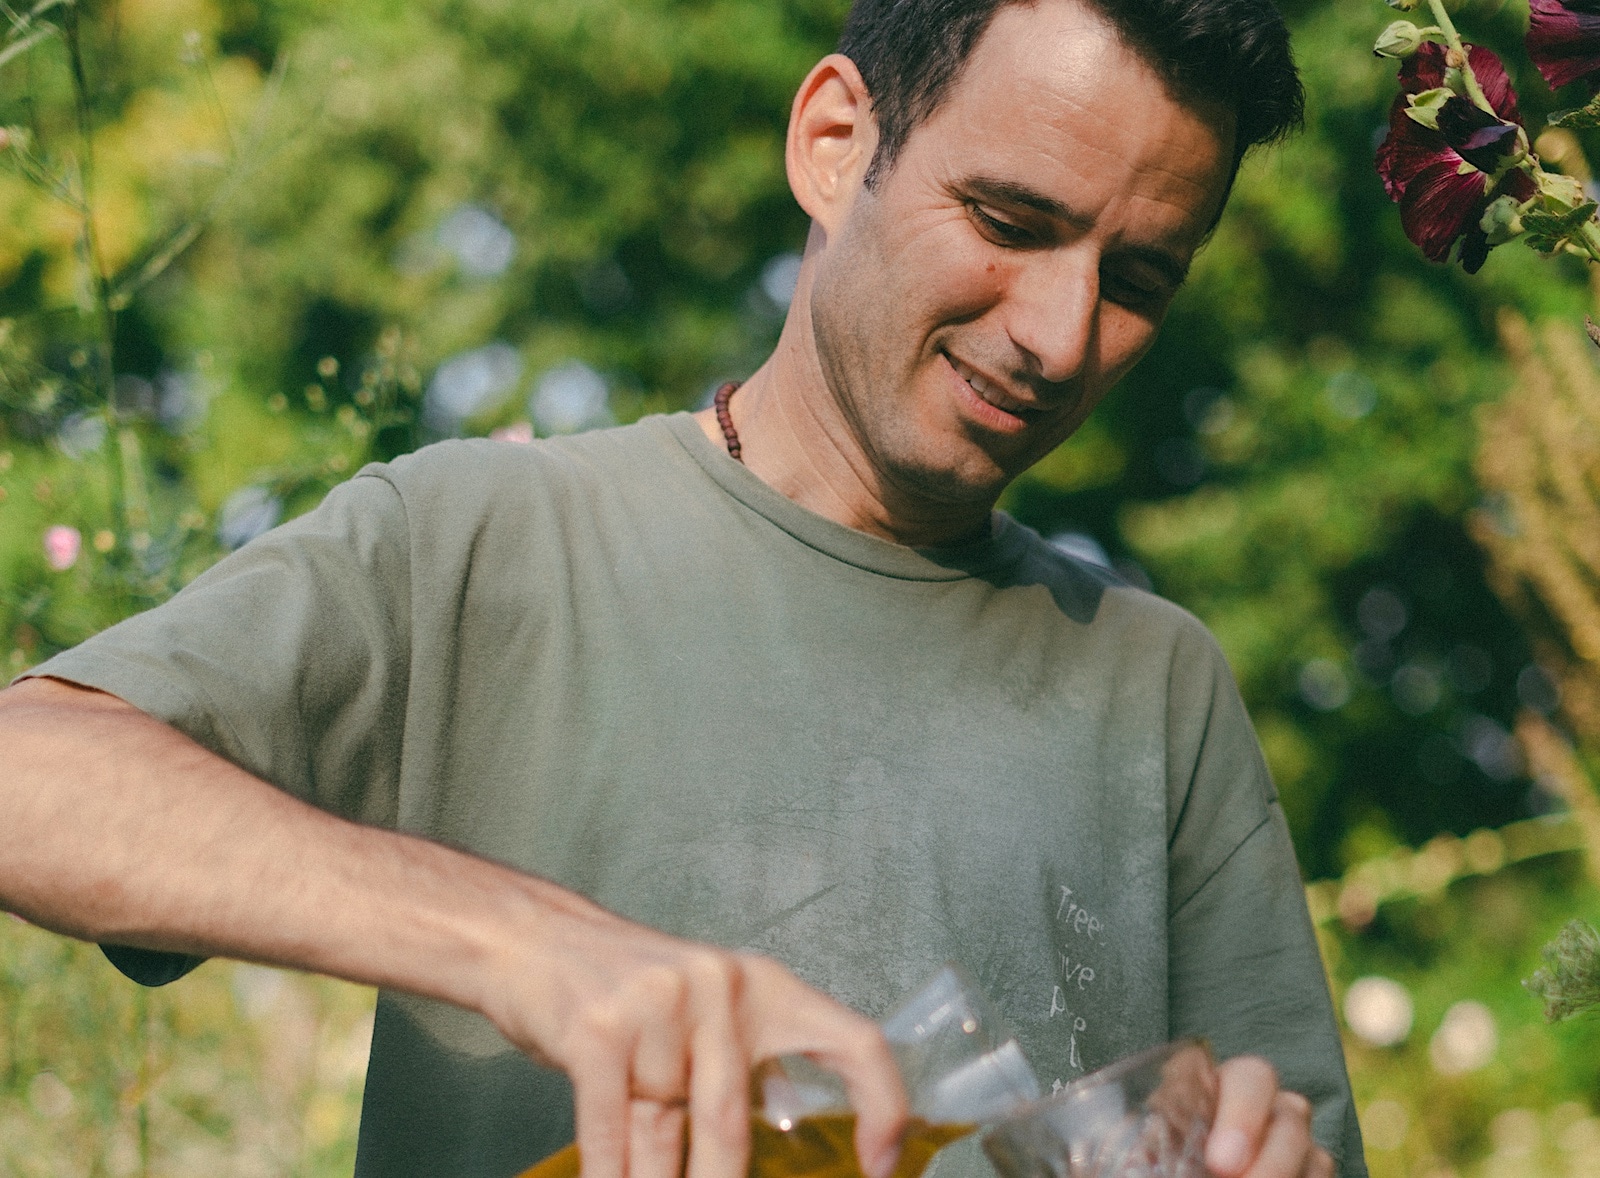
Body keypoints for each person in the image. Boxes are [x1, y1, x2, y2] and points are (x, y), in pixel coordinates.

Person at [0, 0, 1364, 1175]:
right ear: (836, 144)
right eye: (1009, 220)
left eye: (1136, 281)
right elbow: (32, 772)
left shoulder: (1160, 683)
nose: (1060, 336)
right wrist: (526, 940)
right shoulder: (486, 536)